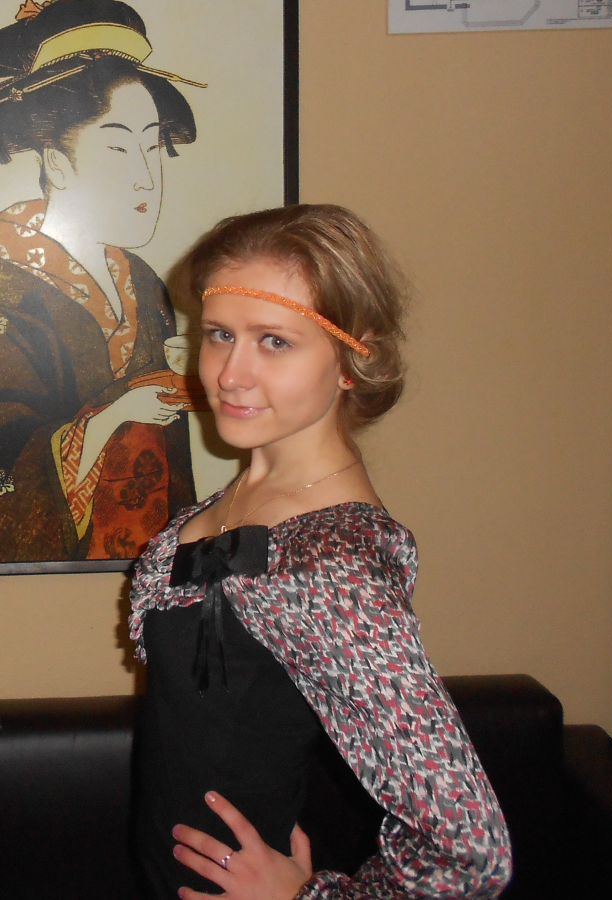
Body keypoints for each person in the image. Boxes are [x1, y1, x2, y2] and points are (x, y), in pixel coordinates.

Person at [129, 204, 512, 899]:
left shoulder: (333, 563)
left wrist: (308, 898)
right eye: (220, 335)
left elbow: (468, 851)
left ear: (352, 360)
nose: (230, 374)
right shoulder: (241, 500)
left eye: (274, 341)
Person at [0, 0, 203, 561]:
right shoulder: (7, 285)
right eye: (117, 147)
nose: (147, 178)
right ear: (57, 164)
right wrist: (115, 414)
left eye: (152, 145)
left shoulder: (144, 282)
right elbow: (7, 444)